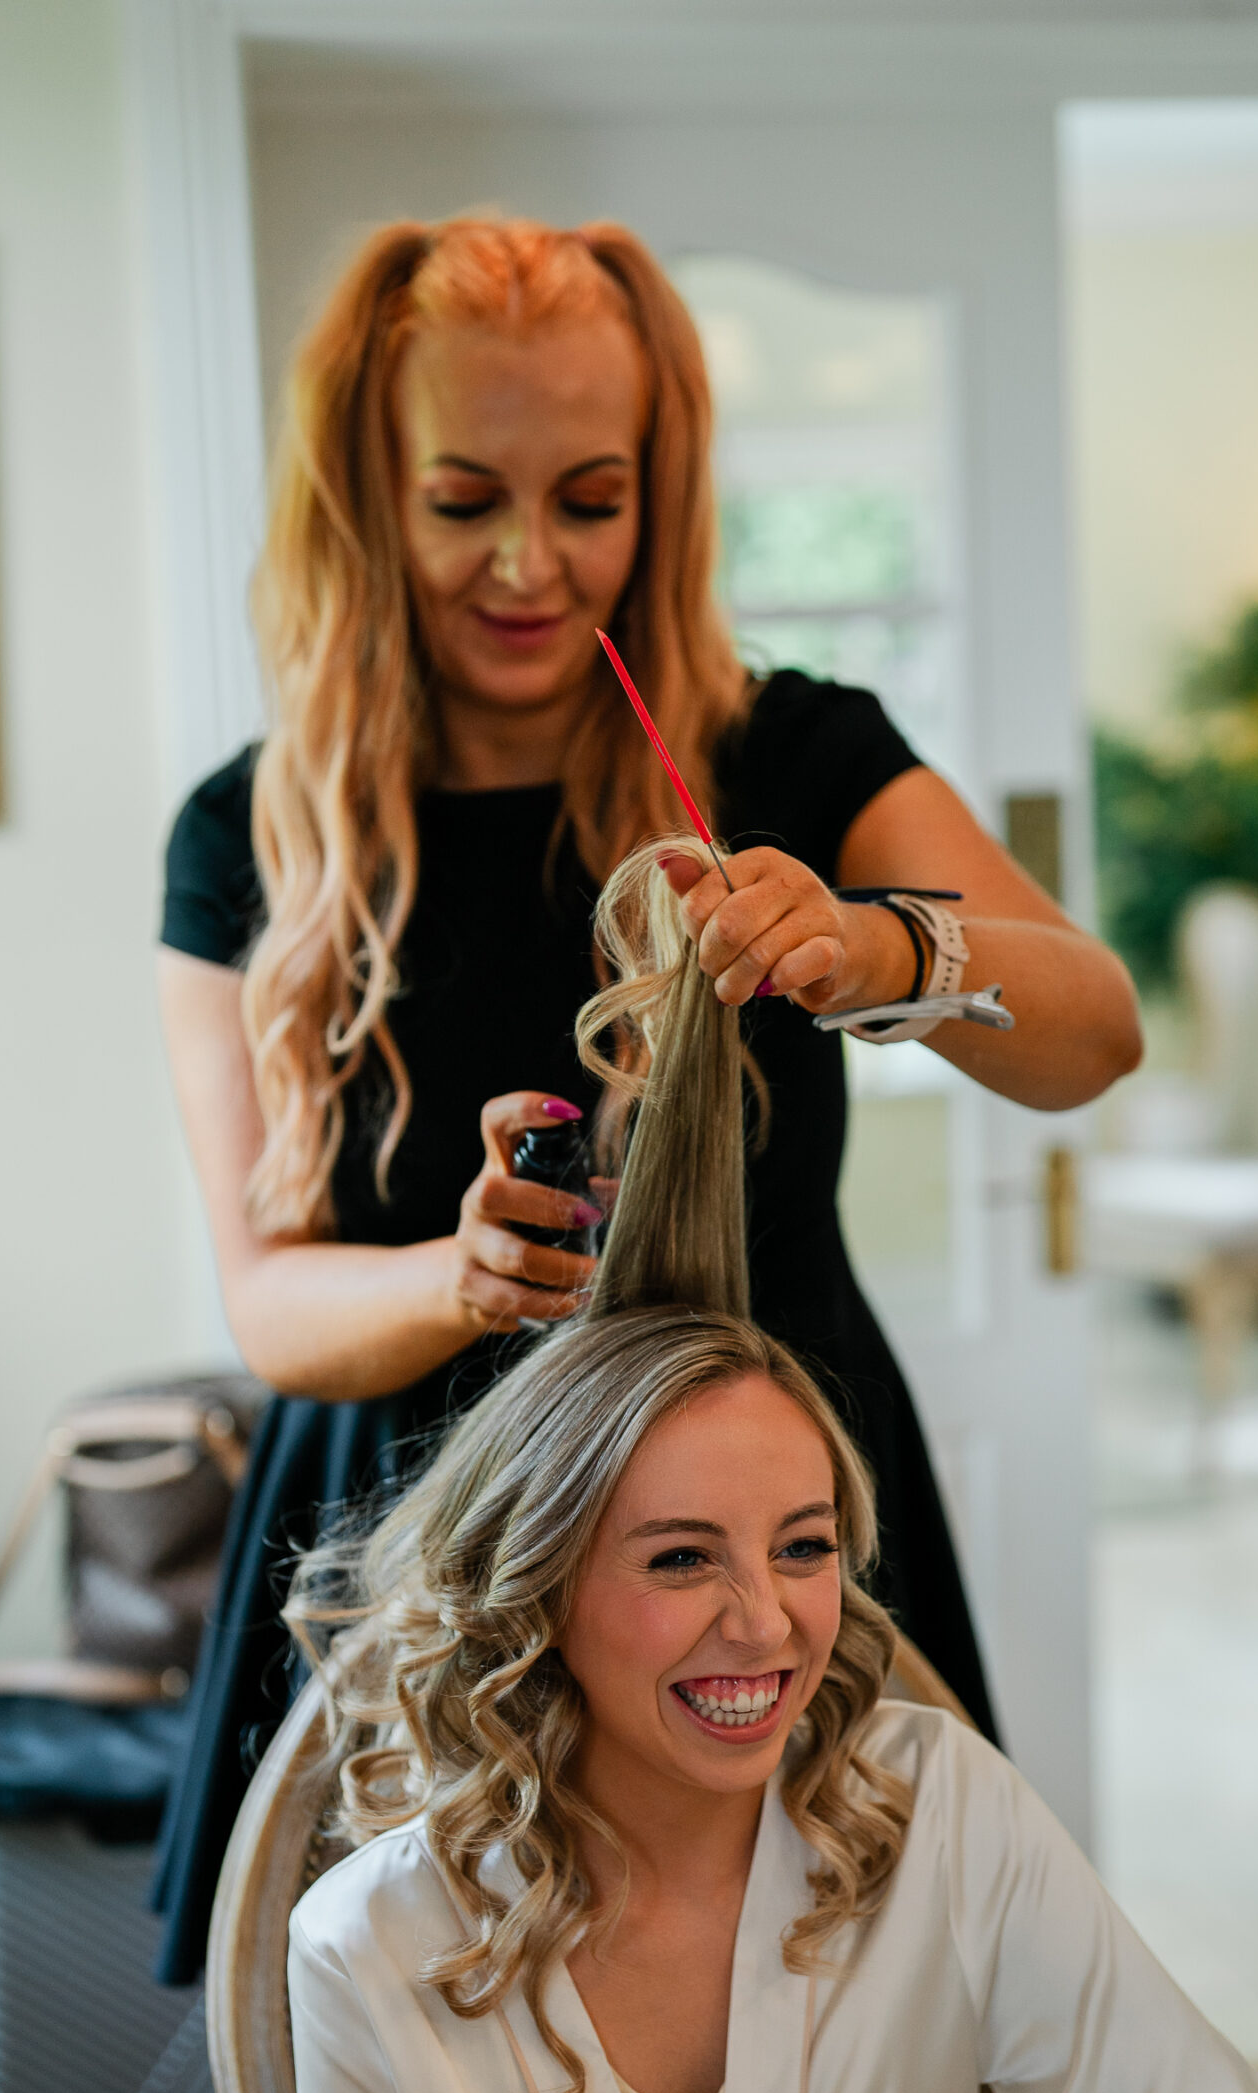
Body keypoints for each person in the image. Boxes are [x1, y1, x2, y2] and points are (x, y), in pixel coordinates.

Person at [285, 845, 1258, 2093]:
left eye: (802, 1545)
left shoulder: (933, 1809)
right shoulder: (371, 1953)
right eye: (680, 1559)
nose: (765, 1624)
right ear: (537, 1594)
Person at [152, 213, 1142, 1986]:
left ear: (659, 492)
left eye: (590, 500)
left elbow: (1093, 1031)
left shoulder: (796, 758)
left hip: (776, 1546)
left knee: (852, 2079)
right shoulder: (252, 834)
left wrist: (879, 944)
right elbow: (270, 1302)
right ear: (369, 496)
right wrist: (453, 1282)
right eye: (465, 503)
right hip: (415, 1572)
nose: (532, 564)